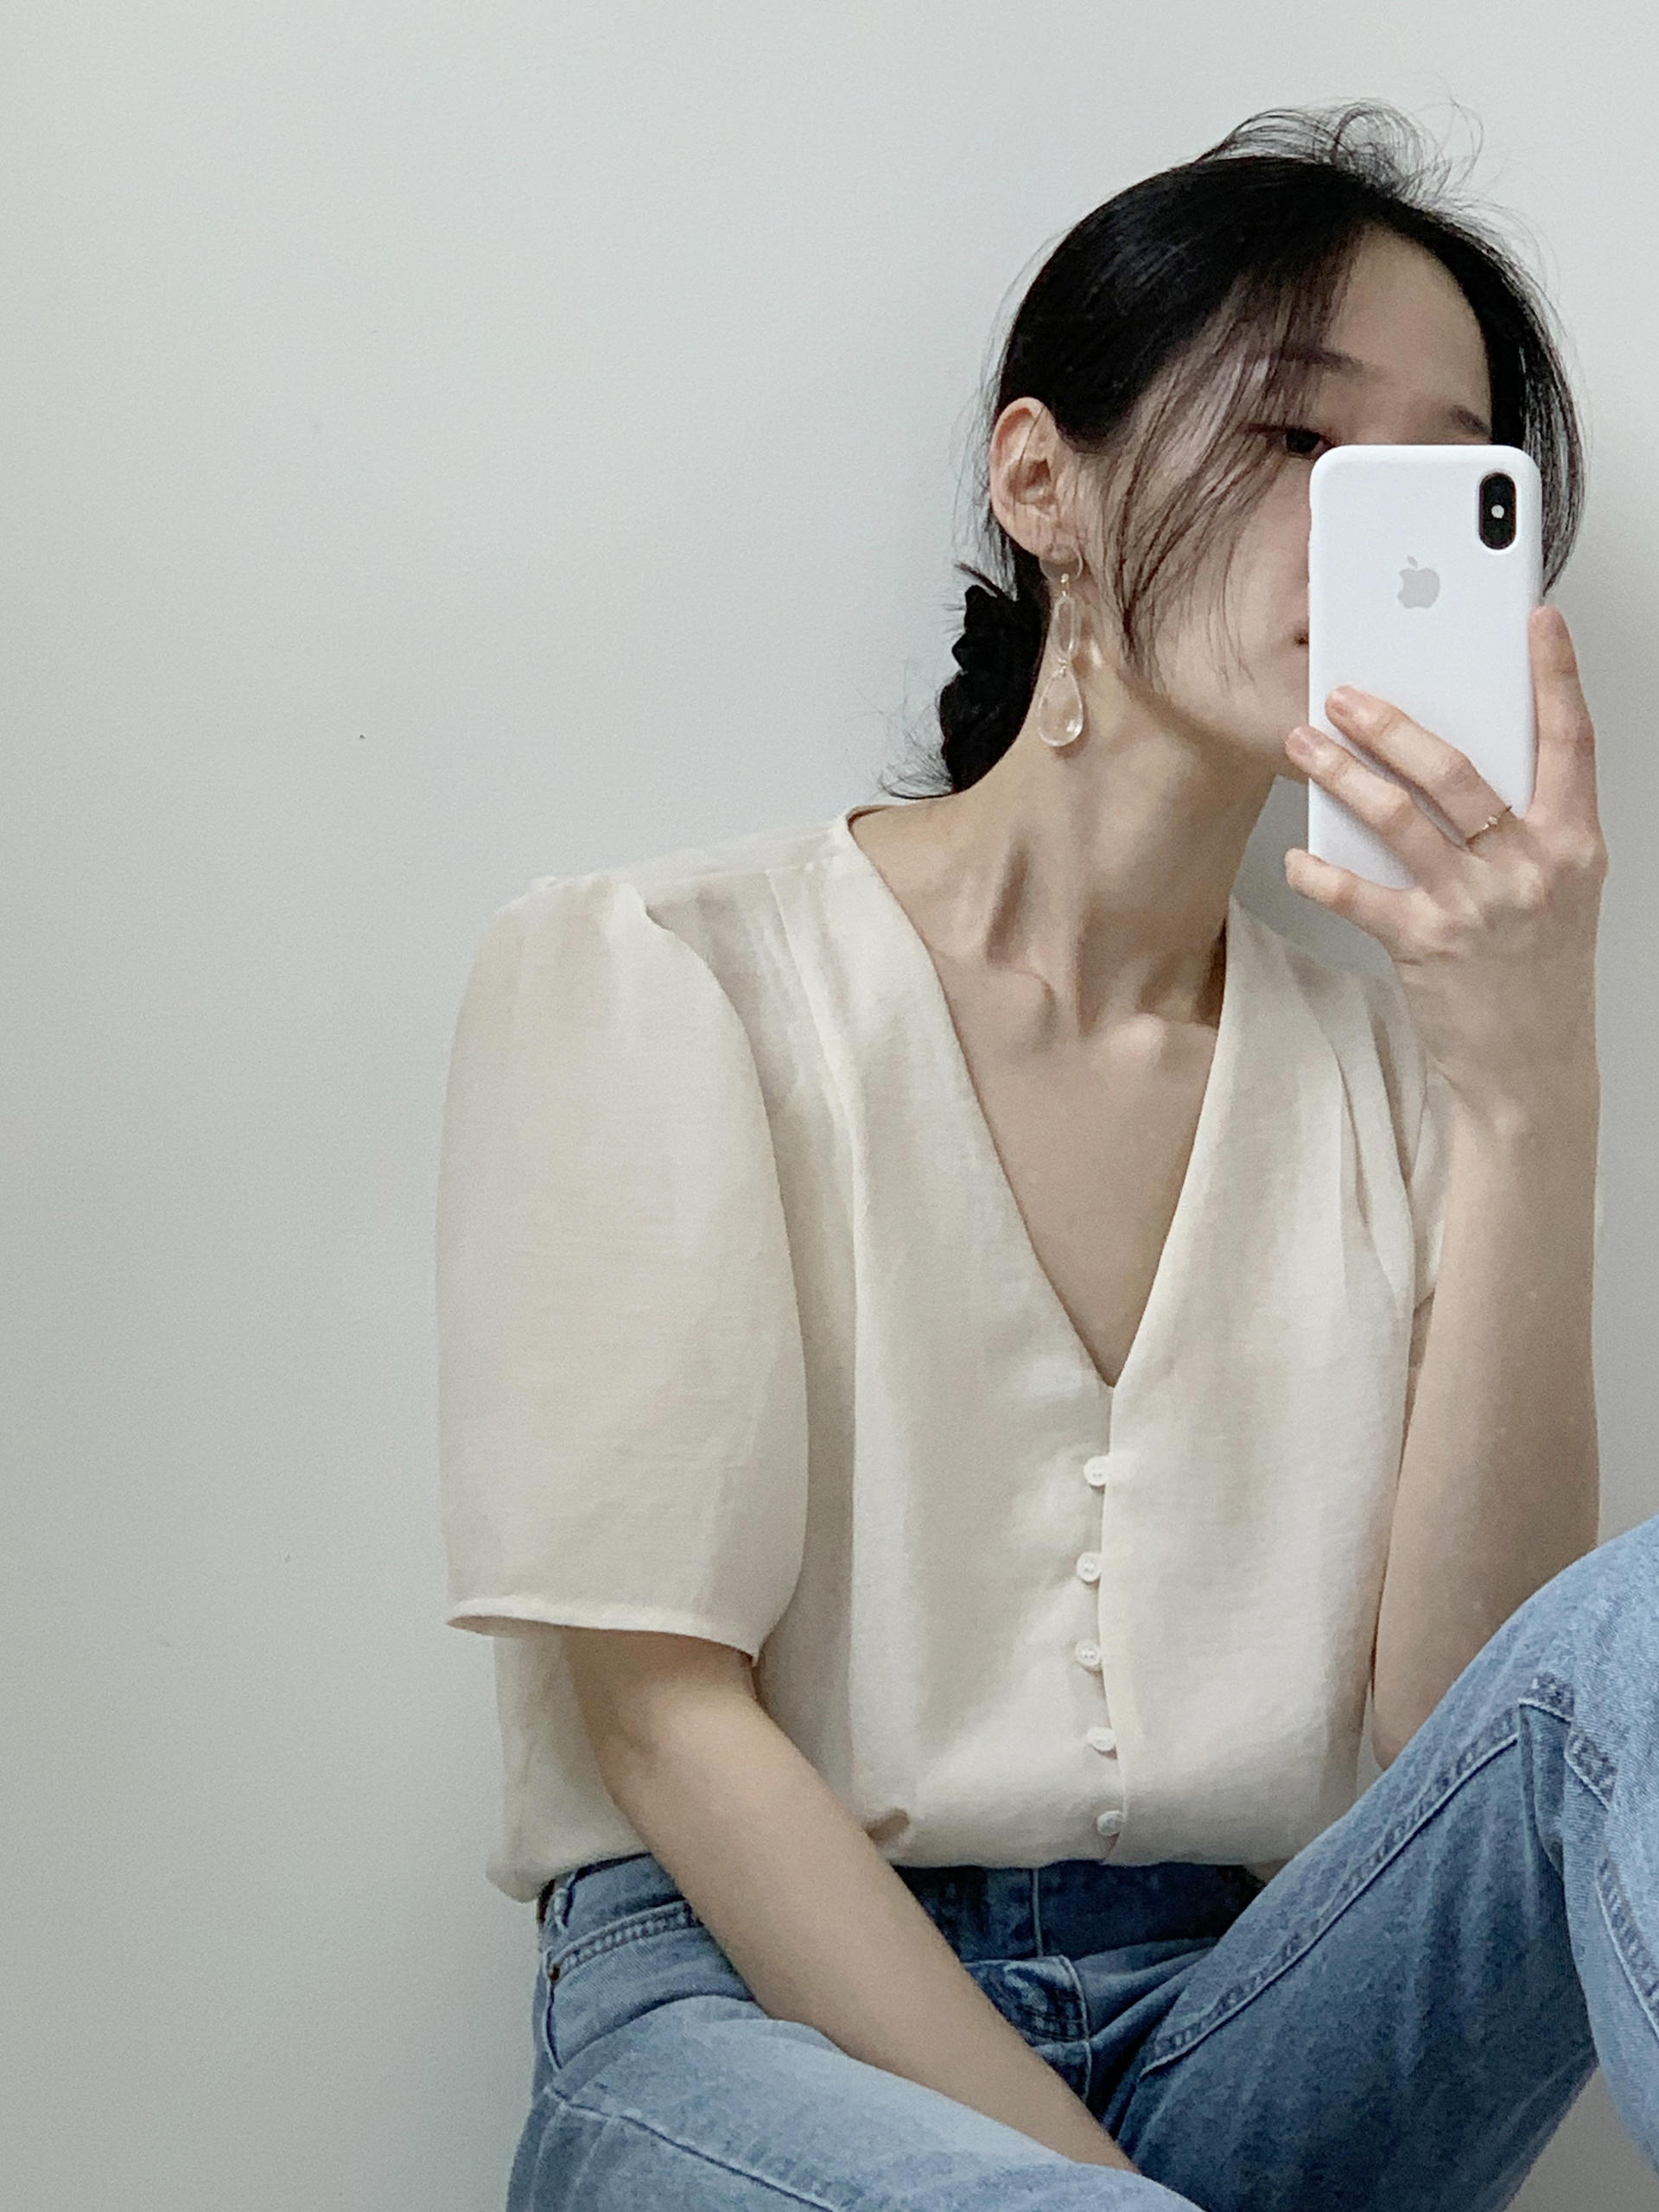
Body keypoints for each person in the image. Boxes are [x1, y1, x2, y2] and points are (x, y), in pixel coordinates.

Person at [435, 101, 1645, 2211]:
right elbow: (660, 1719)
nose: (1363, 528)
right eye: (1294, 436)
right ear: (1039, 481)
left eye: (1439, 477)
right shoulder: (665, 971)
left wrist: (1535, 1073)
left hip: (1253, 2013)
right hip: (741, 2020)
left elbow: (1461, 1738)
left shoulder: (1397, 1063)